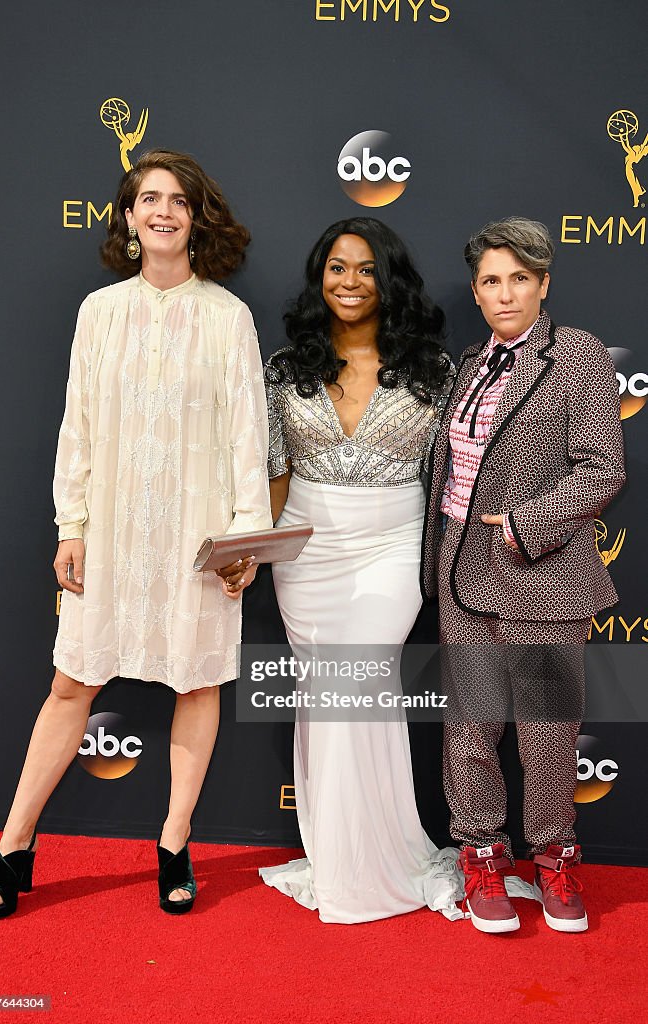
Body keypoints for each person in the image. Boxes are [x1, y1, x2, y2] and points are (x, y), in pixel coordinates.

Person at [0, 149, 271, 919]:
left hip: (198, 539)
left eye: (177, 199)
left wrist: (245, 541)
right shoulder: (99, 311)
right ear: (129, 215)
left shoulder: (228, 318)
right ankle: (14, 843)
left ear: (196, 215)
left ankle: (175, 844)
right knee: (70, 683)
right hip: (108, 534)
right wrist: (70, 524)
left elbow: (249, 437)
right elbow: (76, 428)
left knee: (197, 683)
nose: (163, 211)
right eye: (149, 198)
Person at [420, 217, 625, 933]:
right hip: (461, 569)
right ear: (475, 292)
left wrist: (524, 525)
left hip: (540, 570)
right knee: (471, 727)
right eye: (489, 281)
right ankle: (480, 853)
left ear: (543, 284)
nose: (503, 293)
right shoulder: (472, 361)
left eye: (517, 279)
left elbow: (603, 465)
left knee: (546, 731)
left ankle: (554, 857)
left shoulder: (577, 355)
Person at [258, 217, 463, 924]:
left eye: (366, 269)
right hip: (306, 546)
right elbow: (274, 475)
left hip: (393, 544)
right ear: (320, 276)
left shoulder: (434, 370)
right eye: (337, 268)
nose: (350, 282)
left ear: (389, 278)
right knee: (328, 695)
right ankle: (339, 852)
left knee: (361, 676)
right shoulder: (285, 367)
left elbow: (452, 476)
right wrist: (254, 548)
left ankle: (374, 860)